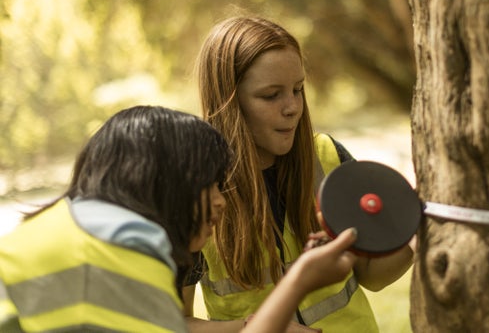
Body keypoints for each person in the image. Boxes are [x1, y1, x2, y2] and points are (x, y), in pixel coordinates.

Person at [0, 105, 360, 333]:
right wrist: (298, 281)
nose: (221, 201)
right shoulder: (117, 249)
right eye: (211, 184)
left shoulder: (75, 228)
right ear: (167, 181)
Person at [185, 16, 415, 332]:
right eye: (271, 95)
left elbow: (373, 276)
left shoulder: (328, 158)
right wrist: (256, 327)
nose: (293, 106)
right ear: (228, 102)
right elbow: (174, 323)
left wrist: (412, 229)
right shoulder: (191, 193)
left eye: (298, 89)